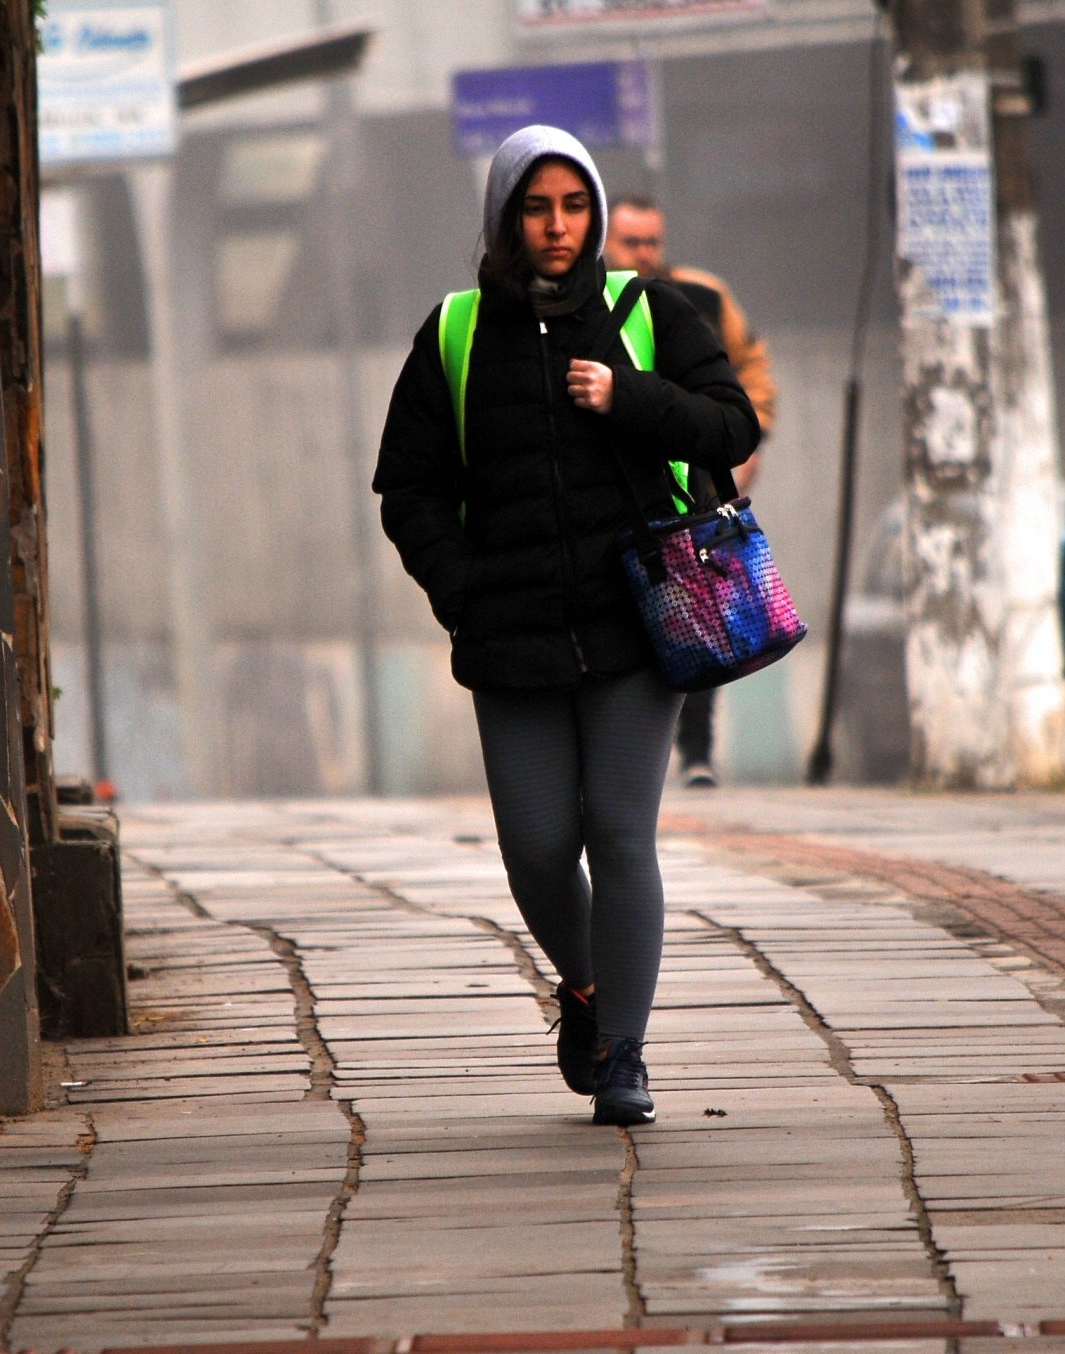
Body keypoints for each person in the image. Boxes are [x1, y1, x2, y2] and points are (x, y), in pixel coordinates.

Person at [372, 127, 760, 1125]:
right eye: (536, 209)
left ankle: (625, 1054)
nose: (557, 227)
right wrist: (463, 589)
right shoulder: (454, 334)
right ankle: (585, 990)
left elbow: (731, 425)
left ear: (593, 216)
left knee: (620, 832)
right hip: (513, 637)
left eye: (572, 206)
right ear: (504, 220)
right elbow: (407, 488)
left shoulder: (647, 313)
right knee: (539, 846)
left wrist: (628, 396)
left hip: (640, 623)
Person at [605, 194, 778, 790]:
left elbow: (750, 364)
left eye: (653, 240)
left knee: (704, 610)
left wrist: (750, 439)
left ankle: (697, 751)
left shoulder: (700, 297)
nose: (646, 253)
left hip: (695, 484)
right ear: (605, 242)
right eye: (632, 242)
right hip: (618, 489)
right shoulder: (589, 306)